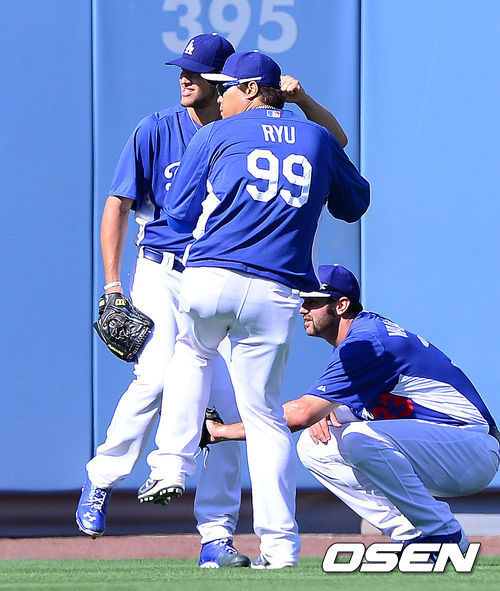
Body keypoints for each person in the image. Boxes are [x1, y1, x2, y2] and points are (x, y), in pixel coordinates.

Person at [138, 51, 370, 570]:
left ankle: (170, 464)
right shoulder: (316, 138)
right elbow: (355, 203)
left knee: (192, 353)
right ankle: (281, 548)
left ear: (249, 90)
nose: (218, 96)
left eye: (226, 87)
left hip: (211, 277)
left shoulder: (217, 133)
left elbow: (178, 213)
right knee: (264, 419)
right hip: (276, 292)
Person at [76, 33, 252, 569]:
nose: (185, 78)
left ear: (223, 82)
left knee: (227, 411)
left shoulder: (245, 134)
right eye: (183, 69)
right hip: (160, 271)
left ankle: (217, 537)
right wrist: (112, 285)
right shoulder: (156, 129)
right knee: (155, 378)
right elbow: (117, 204)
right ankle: (101, 479)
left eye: (197, 71)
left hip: (219, 279)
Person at [206, 263, 500, 556]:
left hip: (470, 446)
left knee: (358, 438)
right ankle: (411, 532)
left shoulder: (364, 342)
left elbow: (301, 414)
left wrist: (220, 432)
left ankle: (441, 531)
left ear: (341, 305)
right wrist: (331, 412)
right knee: (314, 447)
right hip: (444, 444)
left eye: (313, 301)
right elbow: (335, 412)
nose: (303, 309)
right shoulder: (362, 337)